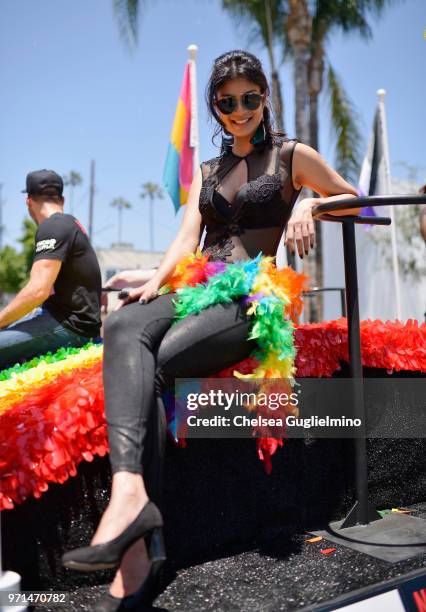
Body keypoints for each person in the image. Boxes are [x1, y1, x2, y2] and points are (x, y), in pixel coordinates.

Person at [62, 50, 359, 611]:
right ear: (216, 109)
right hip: (200, 284)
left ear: (265, 99)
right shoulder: (208, 172)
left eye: (251, 98)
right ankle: (132, 500)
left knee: (159, 359)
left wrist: (314, 206)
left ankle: (140, 554)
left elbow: (355, 201)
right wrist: (157, 278)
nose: (240, 109)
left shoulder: (291, 155)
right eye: (228, 102)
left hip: (253, 296)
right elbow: (185, 242)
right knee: (125, 322)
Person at [0, 170, 102, 370]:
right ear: (61, 199)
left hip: (69, 327)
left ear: (28, 201)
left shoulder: (52, 227)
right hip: (72, 322)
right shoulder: (71, 224)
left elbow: (38, 290)